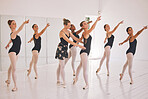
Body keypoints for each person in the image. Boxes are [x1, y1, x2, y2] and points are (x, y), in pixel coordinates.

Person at [55, 18, 86, 88]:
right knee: (62, 66)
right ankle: (63, 82)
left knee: (60, 66)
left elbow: (75, 38)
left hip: (65, 49)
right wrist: (79, 45)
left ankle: (58, 79)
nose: (70, 27)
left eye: (70, 25)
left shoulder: (69, 32)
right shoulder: (62, 32)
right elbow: (69, 41)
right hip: (61, 49)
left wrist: (82, 42)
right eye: (68, 26)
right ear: (64, 25)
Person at [73, 16, 101, 90]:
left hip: (84, 52)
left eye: (86, 23)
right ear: (82, 26)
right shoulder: (86, 32)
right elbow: (93, 28)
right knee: (85, 69)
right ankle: (87, 84)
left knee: (80, 66)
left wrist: (79, 43)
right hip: (85, 52)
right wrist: (96, 20)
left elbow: (80, 40)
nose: (86, 24)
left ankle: (76, 78)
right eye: (85, 24)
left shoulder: (83, 33)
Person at [5, 19, 29, 92]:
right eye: (13, 24)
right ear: (10, 26)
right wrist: (24, 23)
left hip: (16, 52)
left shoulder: (13, 34)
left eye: (15, 23)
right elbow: (19, 29)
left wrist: (8, 44)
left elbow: (11, 39)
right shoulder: (13, 33)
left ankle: (8, 80)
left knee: (11, 67)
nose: (14, 25)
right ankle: (15, 86)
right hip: (12, 52)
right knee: (14, 69)